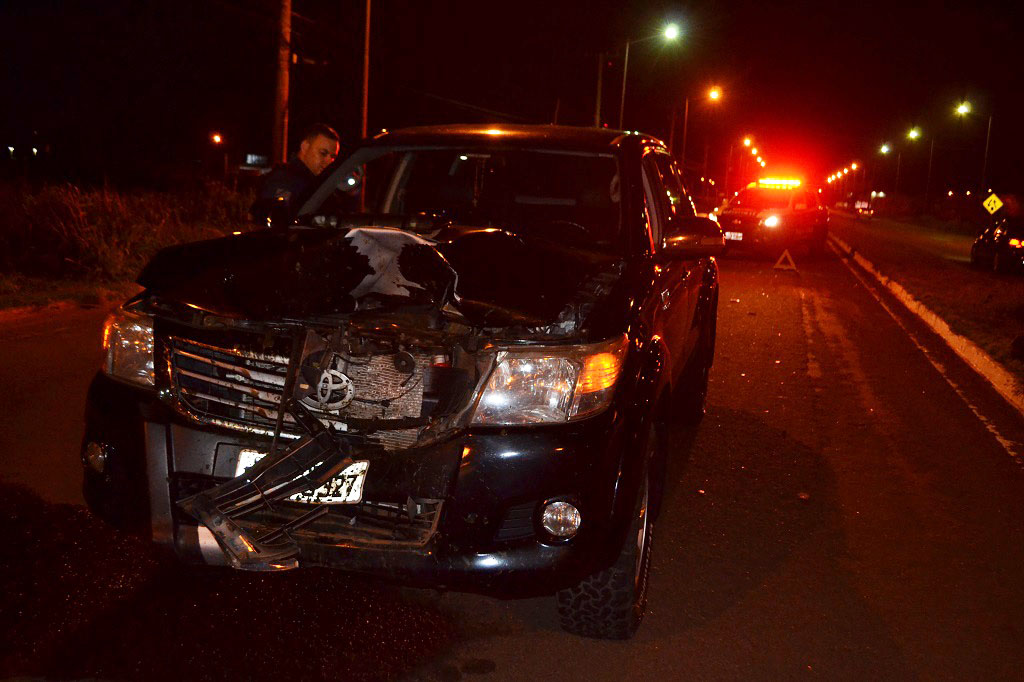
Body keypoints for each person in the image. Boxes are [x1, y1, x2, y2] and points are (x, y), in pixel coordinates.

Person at [252, 123, 340, 226]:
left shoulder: (321, 183)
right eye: (323, 153)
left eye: (333, 157)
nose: (328, 161)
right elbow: (277, 223)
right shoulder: (284, 180)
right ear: (305, 147)